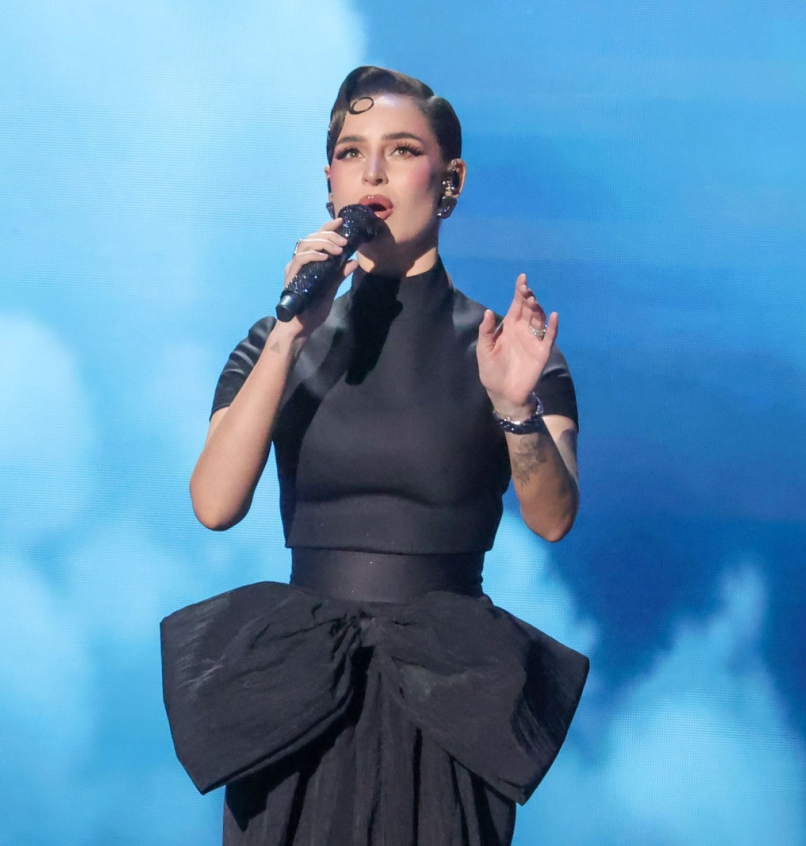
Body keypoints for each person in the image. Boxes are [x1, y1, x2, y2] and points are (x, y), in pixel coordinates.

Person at [161, 65, 590, 846]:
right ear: (329, 182)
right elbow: (214, 504)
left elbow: (553, 518)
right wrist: (288, 336)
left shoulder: (507, 351)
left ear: (450, 181)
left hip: (445, 697)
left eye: (402, 150)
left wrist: (513, 407)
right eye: (352, 152)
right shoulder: (276, 342)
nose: (374, 171)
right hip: (296, 698)